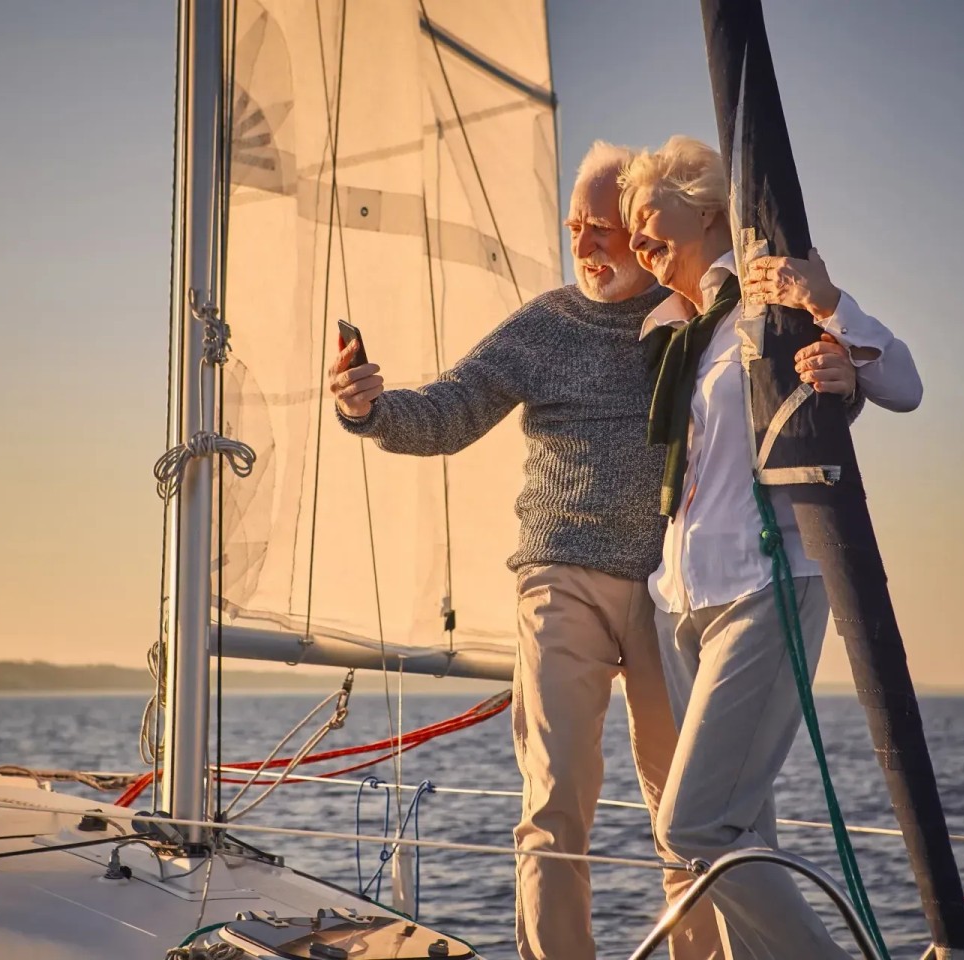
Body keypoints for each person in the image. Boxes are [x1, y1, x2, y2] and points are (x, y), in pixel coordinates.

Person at [328, 140, 862, 960]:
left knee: (682, 808)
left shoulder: (690, 321)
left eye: (606, 228)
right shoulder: (545, 323)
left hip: (663, 593)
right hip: (561, 579)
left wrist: (840, 355)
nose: (587, 245)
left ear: (651, 234)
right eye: (575, 226)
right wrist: (370, 409)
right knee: (557, 802)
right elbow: (451, 410)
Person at [619, 135, 923, 959]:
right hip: (680, 601)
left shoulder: (766, 305)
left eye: (648, 217)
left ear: (709, 204)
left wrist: (829, 314)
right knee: (742, 836)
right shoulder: (669, 336)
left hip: (765, 583)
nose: (638, 240)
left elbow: (903, 384)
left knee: (692, 828)